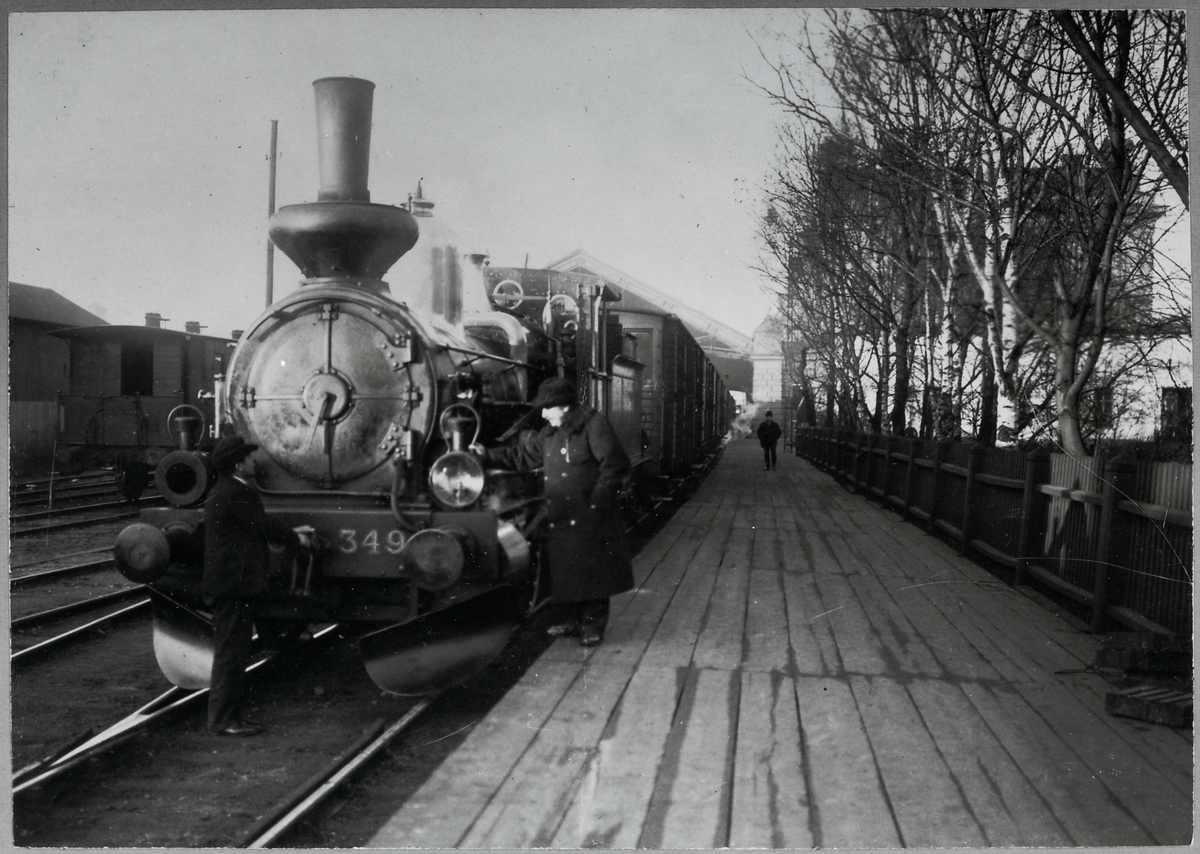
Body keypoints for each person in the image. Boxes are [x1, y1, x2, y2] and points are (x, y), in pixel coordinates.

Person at [474, 377, 633, 647]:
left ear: (565, 407)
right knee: (569, 570)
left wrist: (598, 501)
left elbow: (615, 464)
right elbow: (522, 457)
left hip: (591, 513)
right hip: (563, 513)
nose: (544, 414)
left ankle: (592, 625)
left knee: (594, 572)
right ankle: (573, 622)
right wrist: (486, 454)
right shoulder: (549, 434)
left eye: (548, 408)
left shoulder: (594, 425)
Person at [203, 435, 311, 736]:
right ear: (239, 464)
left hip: (231, 585)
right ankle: (223, 720)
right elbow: (261, 524)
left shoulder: (225, 490)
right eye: (250, 457)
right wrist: (296, 538)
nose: (255, 461)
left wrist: (292, 532)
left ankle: (228, 717)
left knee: (233, 652)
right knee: (231, 654)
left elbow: (253, 527)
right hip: (233, 587)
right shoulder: (236, 492)